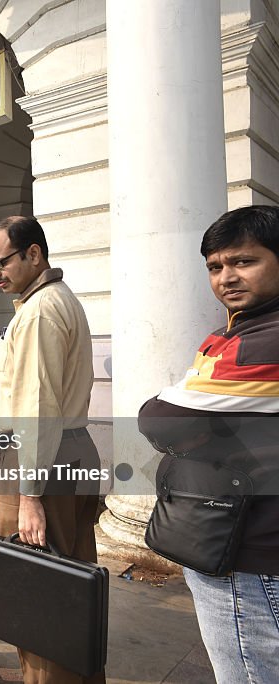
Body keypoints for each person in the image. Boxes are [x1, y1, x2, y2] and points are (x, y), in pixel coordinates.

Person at [138, 205, 279, 683]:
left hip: (246, 552)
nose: (226, 278)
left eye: (244, 261)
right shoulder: (233, 332)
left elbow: (159, 420)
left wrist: (195, 418)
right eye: (215, 267)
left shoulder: (260, 343)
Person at [0, 216, 103, 684]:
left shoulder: (37, 312)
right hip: (69, 451)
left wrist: (29, 495)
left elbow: (37, 406)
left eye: (1, 262)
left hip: (41, 463)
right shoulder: (56, 300)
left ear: (34, 254)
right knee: (72, 585)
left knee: (38, 593)